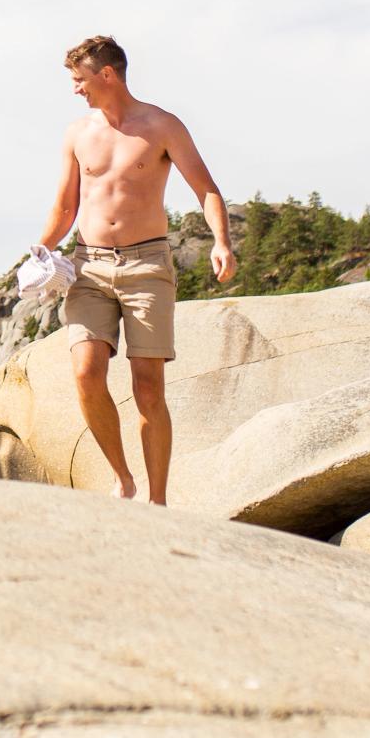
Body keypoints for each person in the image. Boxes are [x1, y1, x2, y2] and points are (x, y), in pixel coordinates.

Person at [37, 36, 235, 504]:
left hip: (147, 264)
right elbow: (65, 206)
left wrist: (222, 242)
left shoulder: (162, 125)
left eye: (79, 79)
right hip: (88, 265)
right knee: (86, 373)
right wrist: (40, 251)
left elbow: (206, 190)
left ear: (108, 75)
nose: (75, 89)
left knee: (148, 387)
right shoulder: (76, 133)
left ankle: (158, 500)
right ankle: (122, 479)